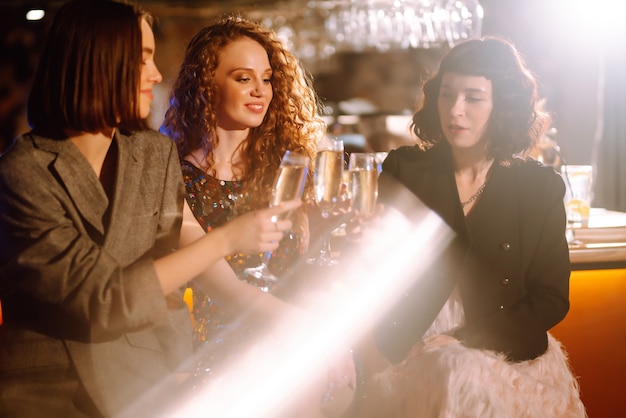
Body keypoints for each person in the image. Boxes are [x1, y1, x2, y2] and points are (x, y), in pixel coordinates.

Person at [0, 1, 298, 417]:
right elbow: (100, 297)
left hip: (141, 381)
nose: (157, 74)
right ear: (97, 65)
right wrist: (228, 239)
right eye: (142, 60)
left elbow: (171, 286)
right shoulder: (25, 170)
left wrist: (178, 373)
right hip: (48, 391)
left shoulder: (154, 153)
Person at [366, 37, 587, 417]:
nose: (456, 110)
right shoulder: (406, 171)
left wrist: (463, 341)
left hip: (505, 350)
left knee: (455, 371)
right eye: (447, 94)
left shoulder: (537, 187)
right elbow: (374, 271)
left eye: (473, 97)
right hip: (408, 341)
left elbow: (551, 298)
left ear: (503, 105)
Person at [161, 16, 355, 417]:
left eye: (266, 79)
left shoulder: (293, 169)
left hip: (294, 342)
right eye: (242, 78)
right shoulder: (172, 176)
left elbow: (316, 262)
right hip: (216, 356)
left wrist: (345, 229)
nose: (260, 92)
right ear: (205, 84)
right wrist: (319, 337)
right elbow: (226, 291)